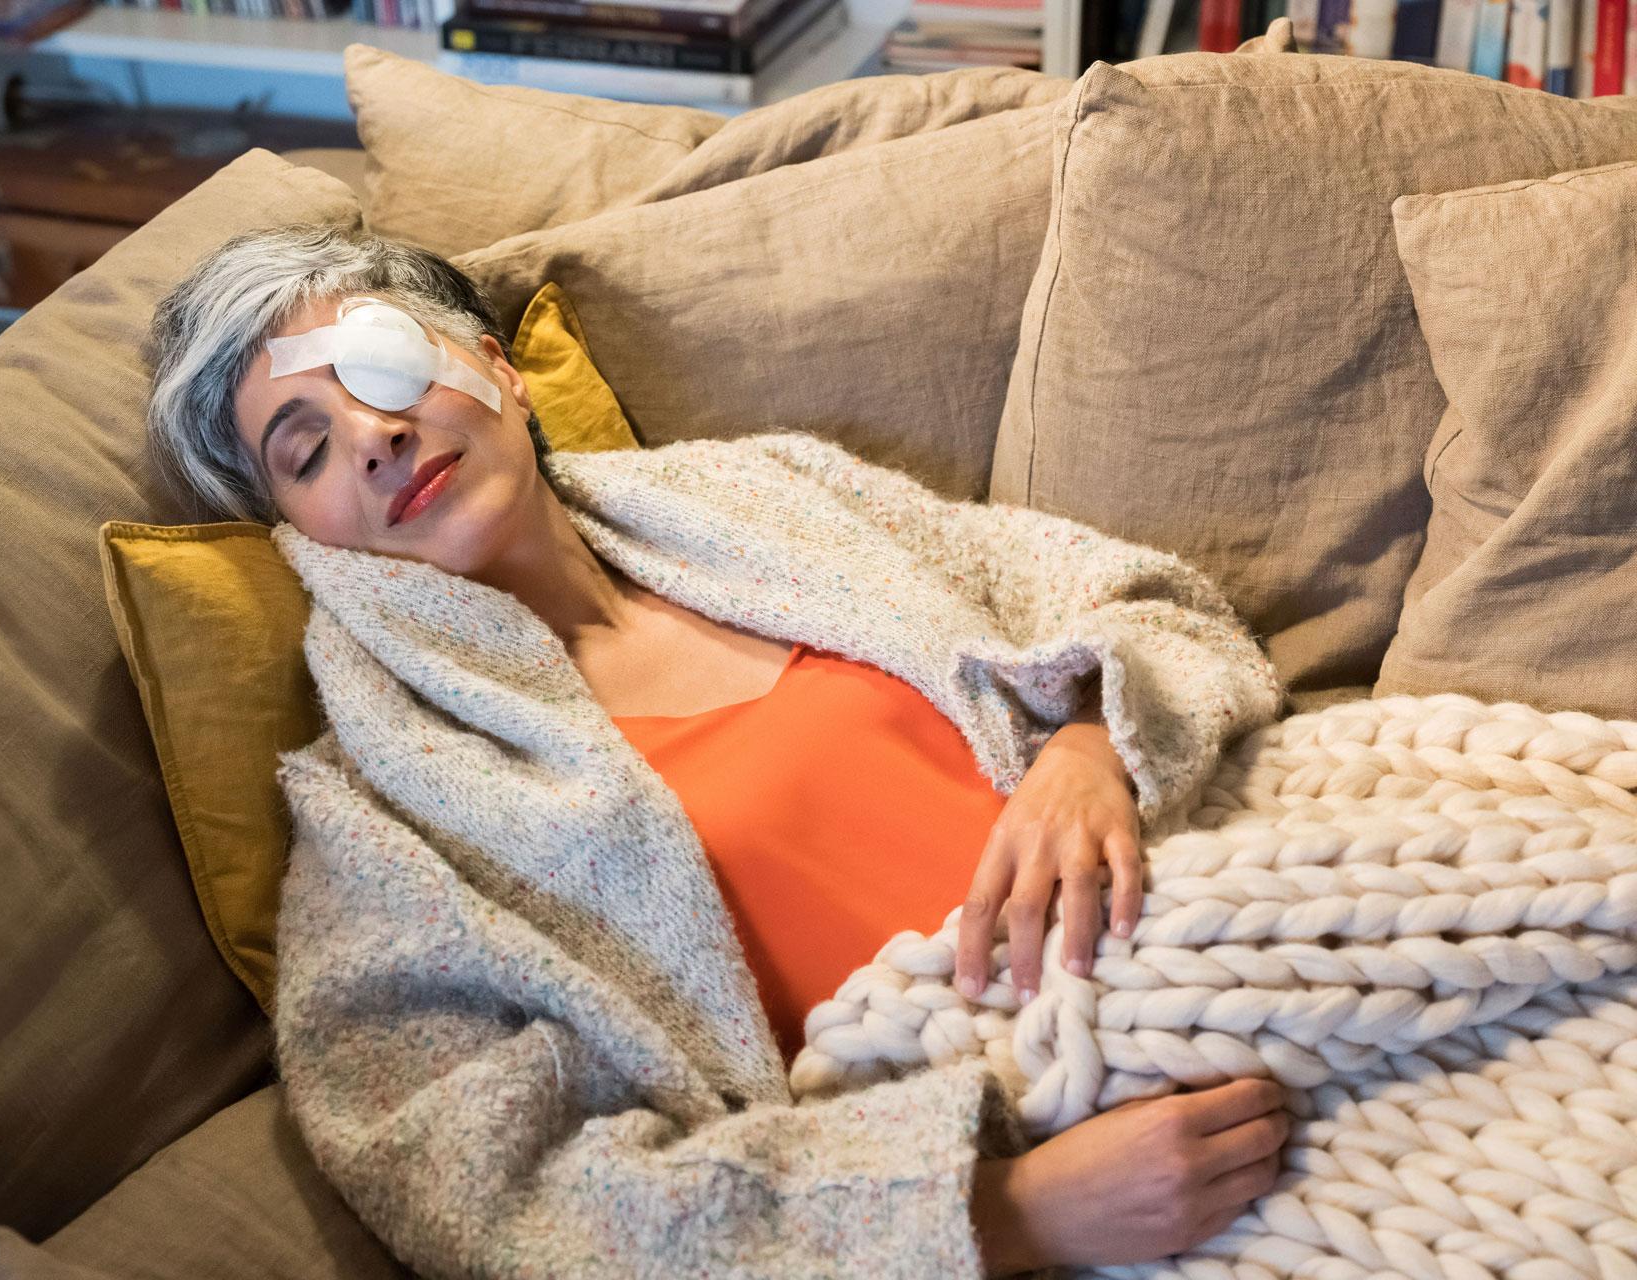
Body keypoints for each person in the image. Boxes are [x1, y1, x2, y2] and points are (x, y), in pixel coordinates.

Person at [144, 218, 1292, 1277]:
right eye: (306, 452)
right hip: (1080, 1188)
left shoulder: (767, 499)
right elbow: (494, 1193)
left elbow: (1147, 602)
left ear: (498, 368)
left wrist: (1090, 743)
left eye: (384, 369)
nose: (377, 435)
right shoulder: (381, 819)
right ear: (305, 539)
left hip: (1240, 959)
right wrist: (1016, 1209)